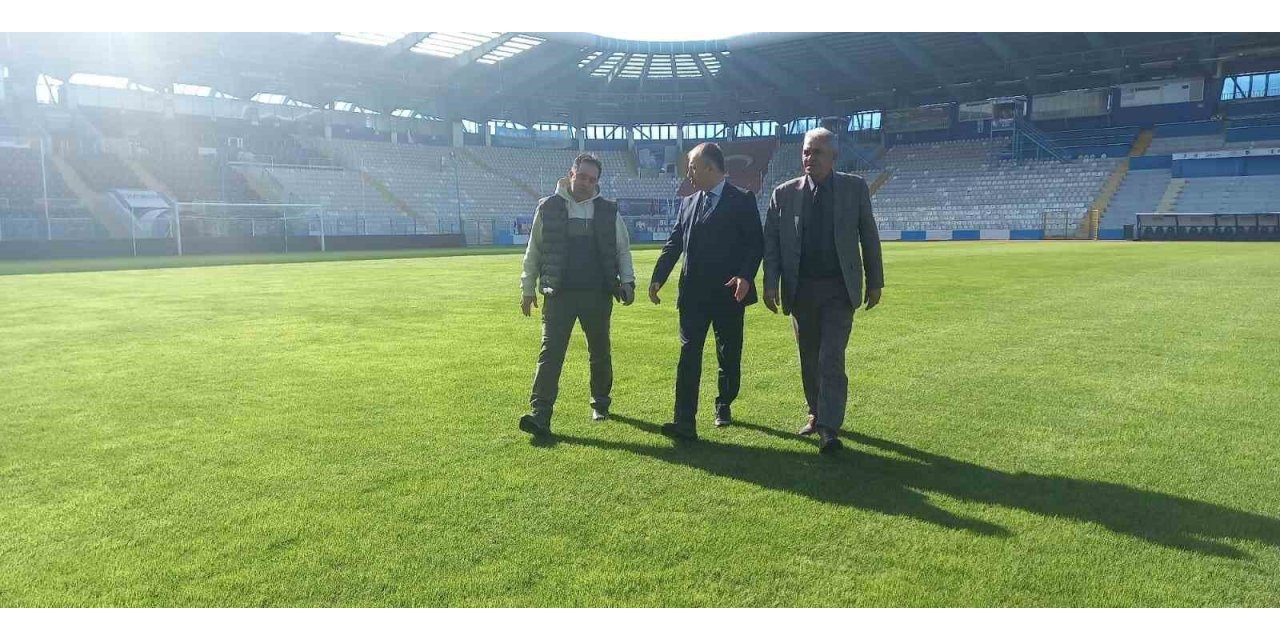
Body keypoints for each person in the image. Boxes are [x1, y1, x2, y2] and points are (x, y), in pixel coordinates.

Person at [762, 128, 884, 454]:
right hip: (801, 291)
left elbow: (868, 236)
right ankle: (815, 413)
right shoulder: (783, 194)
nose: (809, 158)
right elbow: (771, 243)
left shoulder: (854, 189)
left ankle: (829, 428)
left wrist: (875, 281)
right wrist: (770, 282)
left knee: (831, 358)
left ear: (833, 156)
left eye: (816, 152)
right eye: (805, 152)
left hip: (838, 290)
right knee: (809, 359)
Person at [650, 142, 764, 440]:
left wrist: (745, 276)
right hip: (693, 296)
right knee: (689, 354)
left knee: (728, 355)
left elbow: (755, 243)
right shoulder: (688, 203)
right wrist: (658, 277)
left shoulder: (742, 200)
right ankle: (683, 421)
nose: (688, 172)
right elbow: (675, 242)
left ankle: (724, 403)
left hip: (729, 294)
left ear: (710, 168)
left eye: (692, 166)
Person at [518, 153, 636, 438]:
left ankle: (600, 403)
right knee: (550, 354)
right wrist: (527, 288)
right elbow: (533, 251)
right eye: (581, 176)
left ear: (597, 182)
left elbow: (622, 248)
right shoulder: (547, 207)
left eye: (591, 179)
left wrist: (628, 281)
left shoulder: (608, 210)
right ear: (571, 174)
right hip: (558, 294)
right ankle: (540, 414)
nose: (585, 183)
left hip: (598, 294)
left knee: (600, 352)